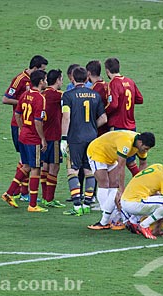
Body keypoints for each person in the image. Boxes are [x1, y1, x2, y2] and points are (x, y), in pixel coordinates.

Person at [60, 67, 107, 216]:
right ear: (86, 79)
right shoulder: (95, 95)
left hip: (75, 138)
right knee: (89, 170)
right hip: (92, 138)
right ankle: (87, 204)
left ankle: (76, 206)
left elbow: (66, 117)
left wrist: (63, 137)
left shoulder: (68, 96)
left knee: (72, 170)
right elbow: (104, 118)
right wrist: (92, 126)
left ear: (73, 78)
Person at [86, 131, 155, 230]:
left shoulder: (141, 146)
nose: (145, 151)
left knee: (114, 185)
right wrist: (121, 189)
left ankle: (109, 219)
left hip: (111, 155)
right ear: (140, 143)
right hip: (97, 152)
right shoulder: (126, 142)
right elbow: (121, 167)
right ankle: (106, 218)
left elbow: (143, 164)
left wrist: (140, 184)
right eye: (146, 148)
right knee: (104, 183)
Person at [2, 55, 48, 201]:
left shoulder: (32, 89)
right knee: (27, 162)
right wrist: (27, 102)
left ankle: (20, 192)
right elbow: (5, 99)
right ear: (35, 69)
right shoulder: (20, 79)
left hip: (26, 126)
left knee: (26, 161)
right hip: (21, 126)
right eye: (42, 71)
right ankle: (24, 194)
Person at [114, 157, 163, 240]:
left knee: (161, 203)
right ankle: (144, 225)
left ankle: (137, 222)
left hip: (125, 200)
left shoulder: (156, 166)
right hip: (134, 203)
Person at [104, 57, 144, 176]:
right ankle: (140, 182)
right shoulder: (130, 81)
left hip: (118, 126)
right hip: (131, 126)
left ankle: (116, 190)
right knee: (130, 160)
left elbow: (113, 104)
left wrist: (103, 112)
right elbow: (140, 99)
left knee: (117, 161)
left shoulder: (113, 83)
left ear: (107, 70)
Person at [41, 69, 66, 208]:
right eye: (61, 79)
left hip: (43, 136)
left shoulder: (42, 93)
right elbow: (70, 96)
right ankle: (49, 199)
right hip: (54, 137)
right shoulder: (56, 94)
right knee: (54, 167)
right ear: (57, 80)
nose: (62, 82)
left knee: (45, 166)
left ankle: (45, 198)